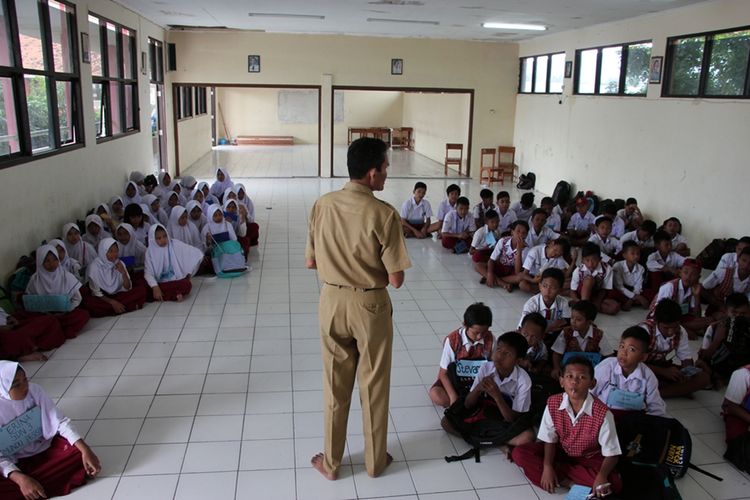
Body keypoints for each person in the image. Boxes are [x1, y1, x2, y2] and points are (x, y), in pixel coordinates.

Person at [305, 137, 411, 481]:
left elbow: (311, 261)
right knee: (374, 385)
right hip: (370, 305)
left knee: (335, 386)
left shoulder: (322, 205)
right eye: (384, 168)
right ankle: (374, 462)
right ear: (371, 173)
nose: (386, 175)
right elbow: (396, 279)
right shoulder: (383, 213)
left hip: (331, 301)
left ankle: (332, 464)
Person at [511, 356, 623, 496]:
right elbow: (549, 439)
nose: (574, 382)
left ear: (592, 383)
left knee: (614, 482)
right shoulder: (553, 403)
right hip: (561, 451)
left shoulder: (603, 414)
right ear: (561, 381)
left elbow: (612, 454)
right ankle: (569, 483)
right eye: (569, 376)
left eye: (582, 377)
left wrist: (601, 476)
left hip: (589, 458)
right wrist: (547, 466)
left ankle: (562, 476)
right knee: (520, 453)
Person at [0, 361, 101, 500]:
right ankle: (31, 485)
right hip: (14, 462)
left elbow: (59, 421)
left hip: (44, 448)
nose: (25, 387)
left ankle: (34, 489)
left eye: (25, 380)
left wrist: (85, 449)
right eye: (17, 385)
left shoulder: (35, 391)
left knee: (77, 454)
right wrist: (20, 479)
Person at [442, 332, 536, 447]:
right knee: (446, 422)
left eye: (507, 354)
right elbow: (467, 404)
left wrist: (497, 396)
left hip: (504, 420)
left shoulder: (524, 381)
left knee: (528, 437)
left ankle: (483, 439)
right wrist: (478, 388)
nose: (499, 357)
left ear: (518, 360)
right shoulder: (486, 367)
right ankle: (494, 441)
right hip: (484, 413)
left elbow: (512, 419)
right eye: (499, 350)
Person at [640, 299, 711, 398]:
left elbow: (686, 358)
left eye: (675, 327)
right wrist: (664, 372)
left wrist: (686, 373)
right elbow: (632, 362)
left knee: (703, 377)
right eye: (666, 328)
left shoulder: (681, 331)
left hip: (662, 365)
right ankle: (673, 390)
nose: (671, 332)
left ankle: (658, 393)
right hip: (641, 367)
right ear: (656, 321)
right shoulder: (644, 330)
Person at [429, 303, 494, 408]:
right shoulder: (452, 340)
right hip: (455, 381)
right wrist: (453, 397)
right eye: (476, 332)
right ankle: (464, 404)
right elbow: (443, 374)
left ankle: (467, 405)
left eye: (484, 332)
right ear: (465, 325)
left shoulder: (491, 340)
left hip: (477, 384)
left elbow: (492, 367)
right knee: (436, 394)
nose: (480, 336)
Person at [591, 327, 666, 416]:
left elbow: (655, 408)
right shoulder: (607, 367)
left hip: (633, 418)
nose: (623, 353)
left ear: (643, 357)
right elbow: (589, 394)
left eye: (632, 349)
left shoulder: (648, 376)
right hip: (604, 415)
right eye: (622, 346)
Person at [22, 245, 90, 339]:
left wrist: (67, 309)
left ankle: (55, 330)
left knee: (83, 315)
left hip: (65, 314)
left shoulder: (66, 276)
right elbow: (31, 301)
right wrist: (45, 312)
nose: (52, 264)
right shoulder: (35, 280)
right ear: (40, 262)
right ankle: (59, 330)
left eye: (55, 259)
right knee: (29, 318)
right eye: (47, 261)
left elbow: (77, 298)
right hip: (45, 316)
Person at [648, 258, 711, 338]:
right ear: (680, 272)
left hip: (679, 318)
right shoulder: (669, 287)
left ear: (698, 277)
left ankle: (684, 328)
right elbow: (662, 314)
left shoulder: (693, 289)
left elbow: (696, 316)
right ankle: (683, 329)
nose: (688, 277)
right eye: (685, 272)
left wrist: (697, 296)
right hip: (661, 318)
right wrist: (685, 331)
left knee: (710, 320)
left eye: (693, 274)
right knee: (695, 332)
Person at [82, 239, 147, 317]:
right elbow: (96, 293)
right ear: (103, 252)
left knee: (141, 290)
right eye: (110, 251)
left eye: (116, 251)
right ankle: (126, 307)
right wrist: (113, 302)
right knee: (89, 303)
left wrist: (123, 273)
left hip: (119, 295)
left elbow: (128, 287)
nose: (114, 254)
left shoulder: (119, 263)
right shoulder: (94, 267)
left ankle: (112, 310)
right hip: (104, 298)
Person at [699, 293, 750, 383]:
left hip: (743, 369)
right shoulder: (714, 328)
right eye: (734, 313)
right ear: (726, 311)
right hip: (720, 367)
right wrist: (717, 340)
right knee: (700, 365)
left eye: (743, 314)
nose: (738, 317)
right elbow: (704, 356)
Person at [145, 224, 203, 302]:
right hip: (159, 283)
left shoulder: (173, 244)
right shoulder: (150, 252)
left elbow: (194, 253)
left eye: (165, 236)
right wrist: (155, 286)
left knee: (186, 285)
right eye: (158, 238)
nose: (163, 240)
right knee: (145, 288)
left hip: (174, 280)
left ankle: (166, 295)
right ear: (152, 239)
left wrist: (189, 271)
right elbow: (148, 273)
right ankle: (173, 295)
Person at [550, 301, 603, 379]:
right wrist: (556, 367)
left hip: (589, 372)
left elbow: (608, 355)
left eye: (578, 319)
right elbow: (556, 353)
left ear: (589, 322)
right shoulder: (566, 332)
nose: (573, 322)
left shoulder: (598, 334)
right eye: (572, 317)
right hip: (569, 371)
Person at [570, 243, 620, 315]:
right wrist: (577, 300)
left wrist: (597, 302)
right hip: (582, 294)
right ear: (582, 260)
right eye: (587, 260)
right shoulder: (578, 270)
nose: (591, 264)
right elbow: (572, 291)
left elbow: (604, 289)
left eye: (594, 260)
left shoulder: (607, 269)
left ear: (600, 259)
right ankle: (584, 307)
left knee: (614, 308)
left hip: (596, 295)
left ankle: (584, 306)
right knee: (589, 280)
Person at [519, 268, 571, 337]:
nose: (548, 291)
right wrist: (548, 329)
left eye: (553, 288)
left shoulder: (563, 303)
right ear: (540, 286)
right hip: (535, 336)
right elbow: (524, 328)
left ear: (560, 290)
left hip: (555, 336)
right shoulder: (531, 304)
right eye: (545, 286)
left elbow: (566, 322)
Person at [480, 220, 528, 291]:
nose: (520, 235)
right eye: (518, 231)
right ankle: (502, 282)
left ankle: (495, 279)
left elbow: (518, 271)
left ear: (526, 235)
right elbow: (492, 259)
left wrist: (519, 250)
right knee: (479, 265)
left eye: (523, 233)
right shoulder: (503, 241)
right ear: (512, 232)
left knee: (520, 278)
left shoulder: (527, 249)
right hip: (501, 267)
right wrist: (490, 273)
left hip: (512, 272)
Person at [702, 247, 750, 315]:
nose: (746, 265)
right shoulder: (724, 272)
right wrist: (719, 304)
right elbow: (703, 288)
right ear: (738, 259)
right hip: (718, 309)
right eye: (744, 260)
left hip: (740, 313)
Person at [611, 240, 650, 311]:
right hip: (621, 290)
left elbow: (638, 286)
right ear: (624, 255)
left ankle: (630, 302)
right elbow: (619, 287)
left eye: (638, 253)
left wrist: (632, 298)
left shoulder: (641, 268)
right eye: (632, 253)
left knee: (649, 293)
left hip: (633, 291)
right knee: (613, 293)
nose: (636, 256)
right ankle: (634, 302)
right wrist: (637, 297)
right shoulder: (618, 266)